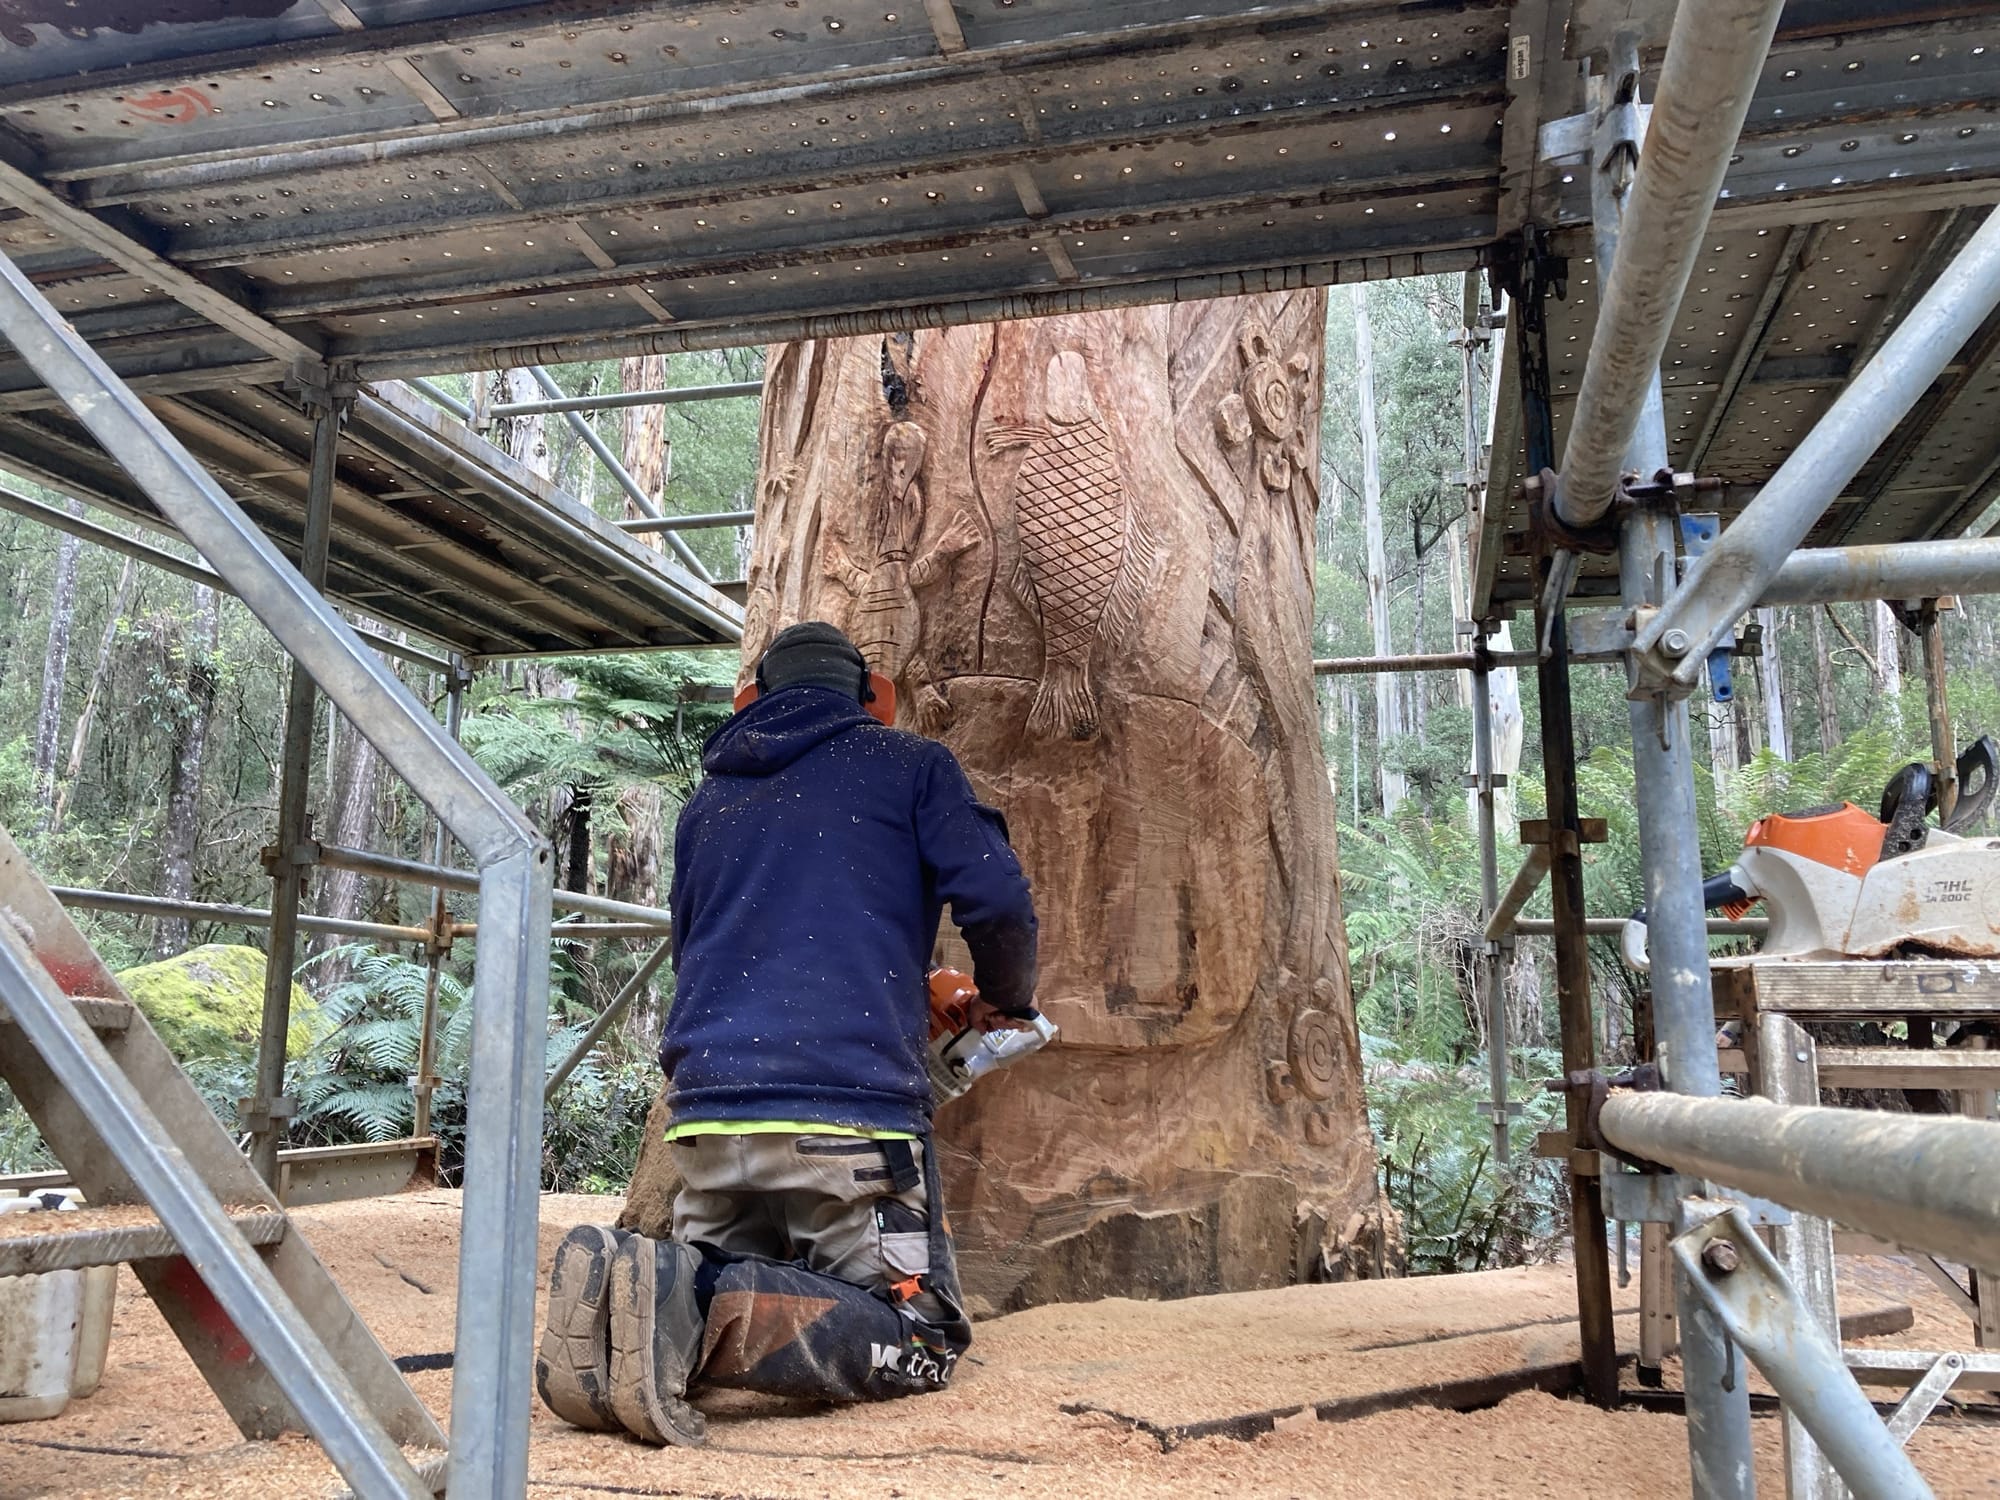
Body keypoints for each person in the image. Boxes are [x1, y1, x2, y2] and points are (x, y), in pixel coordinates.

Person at [537, 621, 1039, 1446]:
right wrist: (1006, 1000)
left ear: (754, 701)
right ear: (870, 698)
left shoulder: (709, 803)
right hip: (848, 1129)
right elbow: (999, 900)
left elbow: (714, 943)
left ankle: (672, 1287)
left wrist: (899, 985)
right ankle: (693, 1299)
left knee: (760, 1279)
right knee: (919, 1337)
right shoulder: (912, 766)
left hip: (703, 1122)